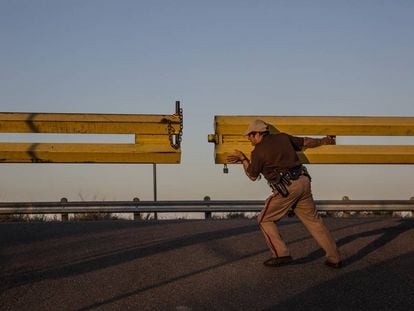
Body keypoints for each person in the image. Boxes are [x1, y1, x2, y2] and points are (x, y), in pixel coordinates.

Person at [227, 119, 342, 268]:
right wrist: (324, 141)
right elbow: (306, 142)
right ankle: (335, 258)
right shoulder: (283, 137)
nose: (248, 139)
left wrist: (243, 159)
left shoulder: (258, 151)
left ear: (257, 134)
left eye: (249, 135)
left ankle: (280, 254)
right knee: (315, 222)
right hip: (303, 181)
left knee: (264, 218)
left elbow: (252, 176)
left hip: (288, 188)